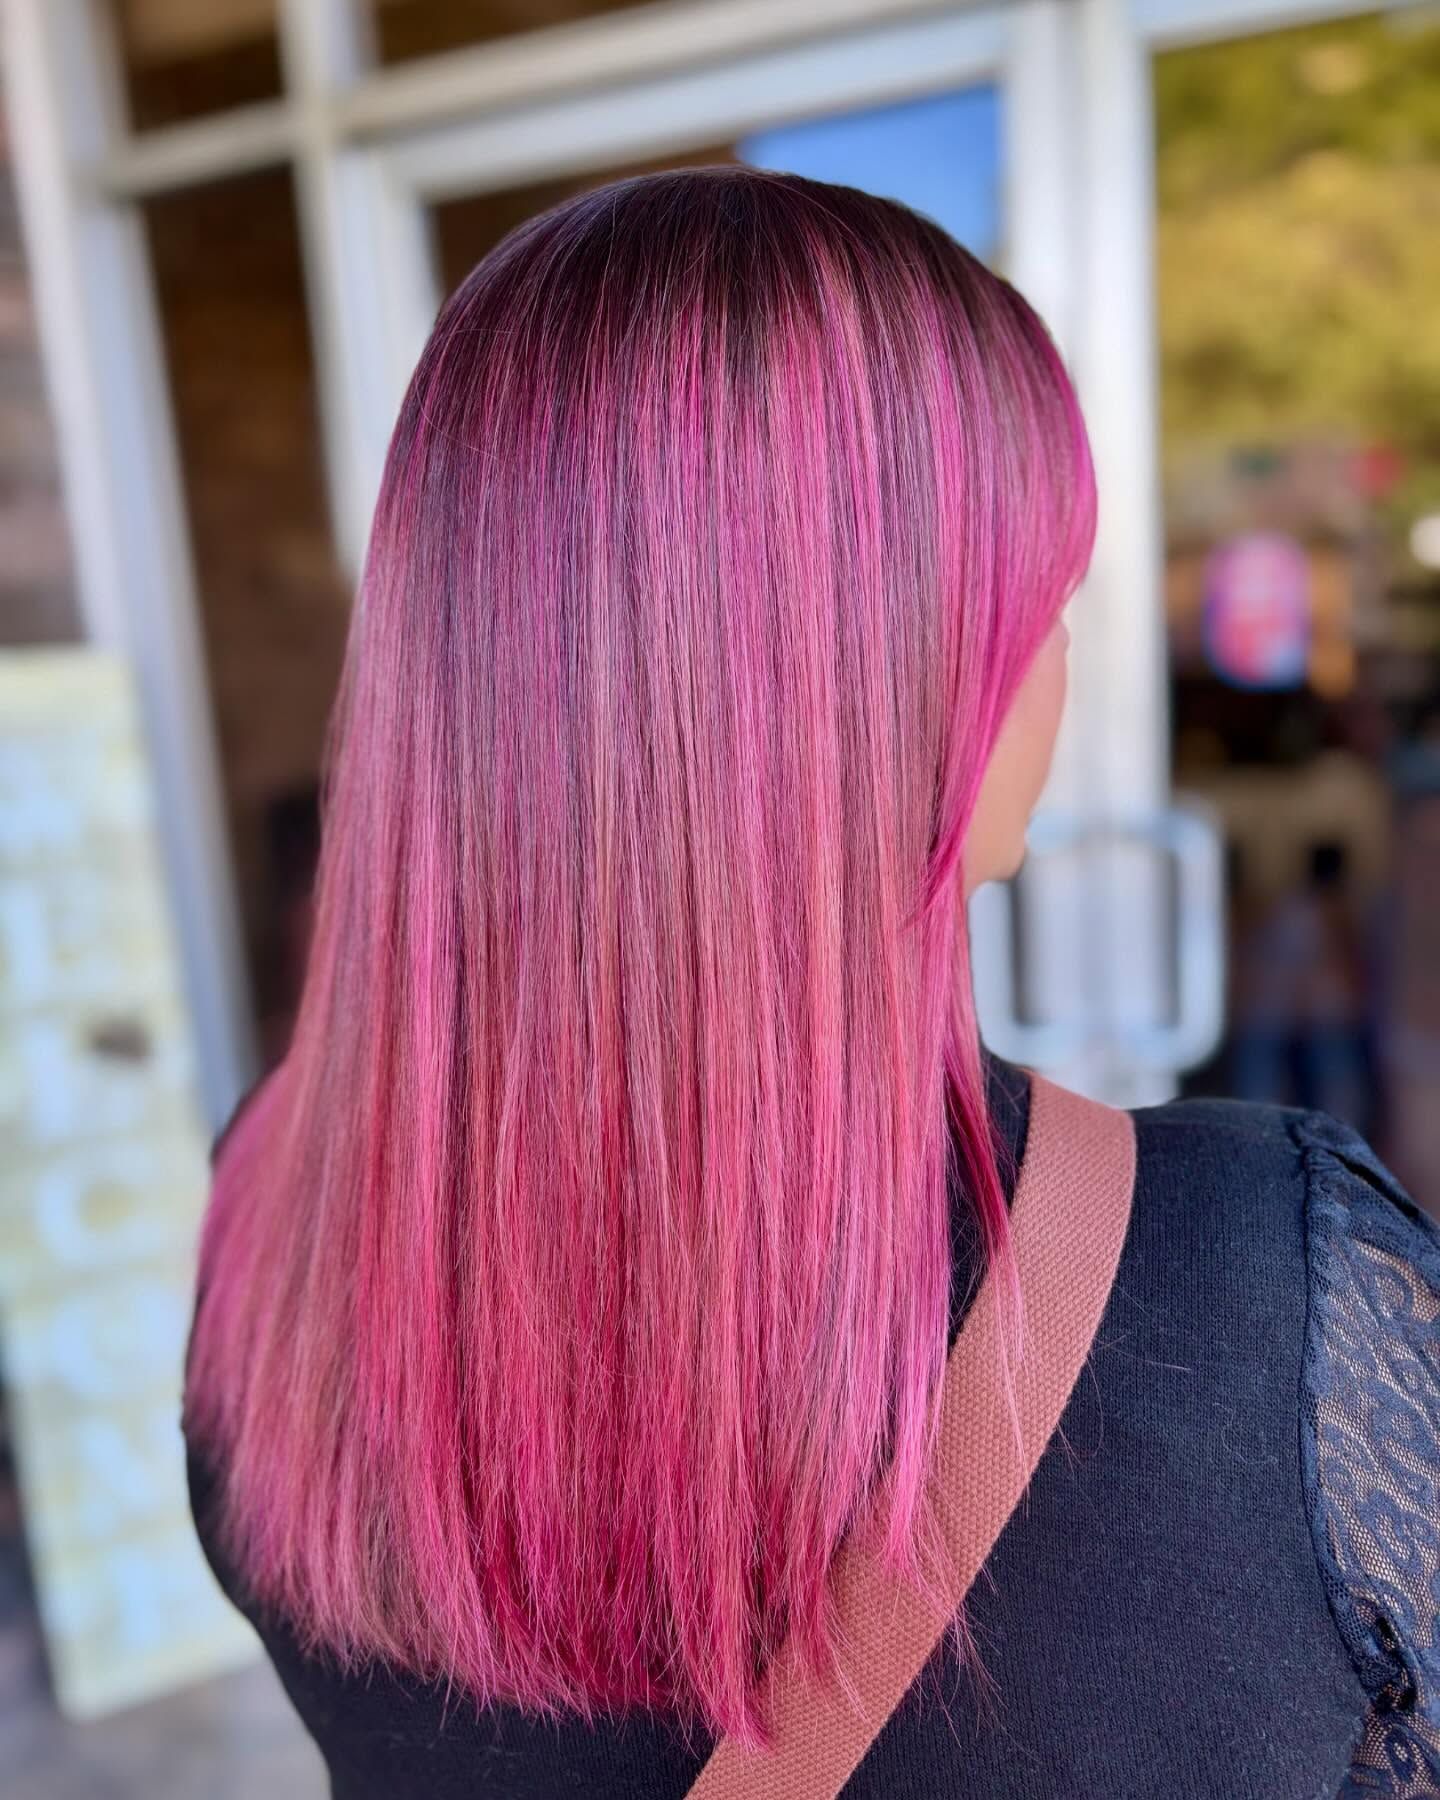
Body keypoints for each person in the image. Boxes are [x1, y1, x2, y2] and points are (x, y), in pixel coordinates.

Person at [183, 169, 1440, 1798]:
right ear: (905, 698)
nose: (1055, 663)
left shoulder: (265, 1217)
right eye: (1039, 605)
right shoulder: (1265, 1302)